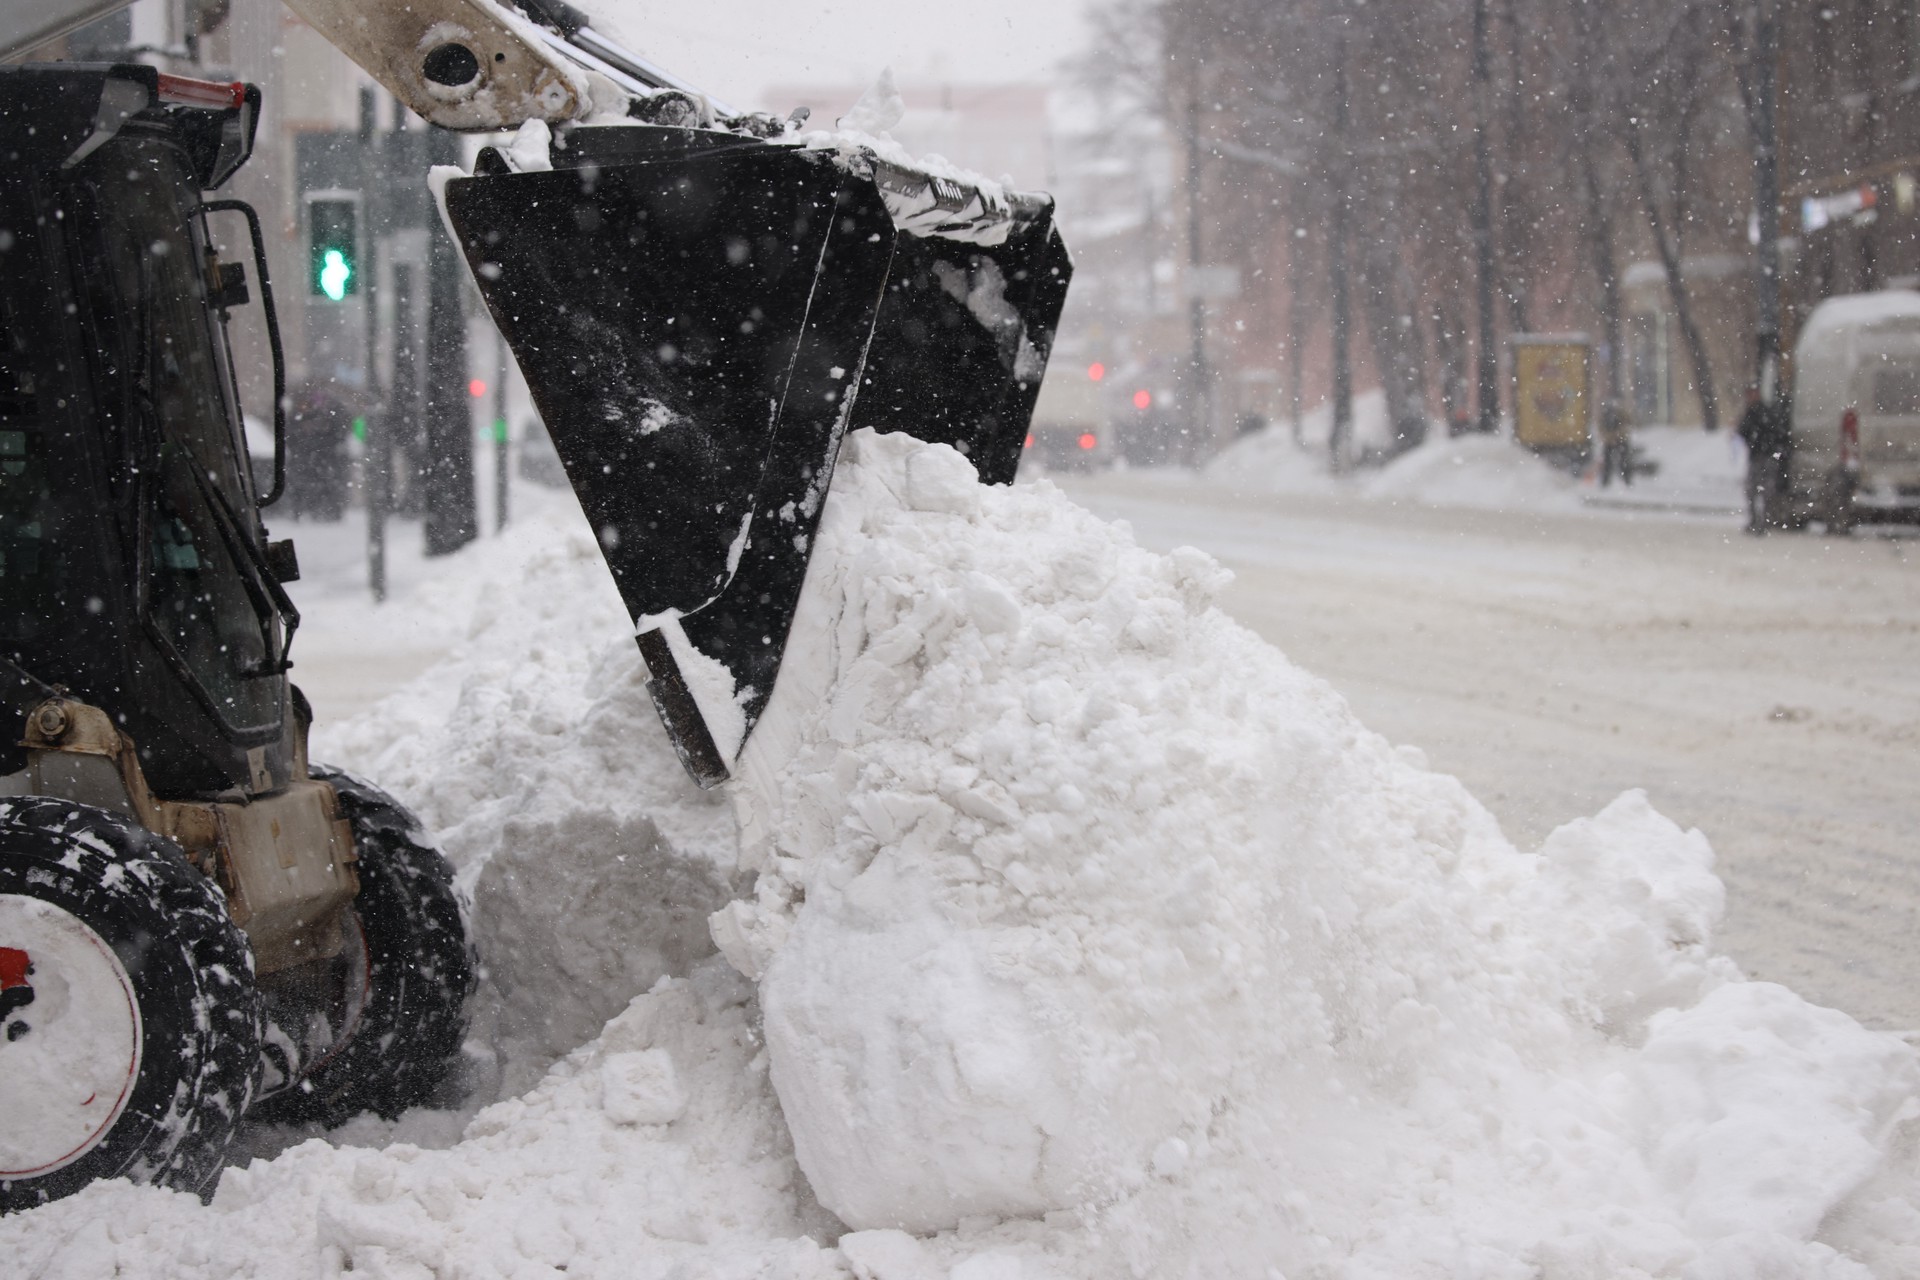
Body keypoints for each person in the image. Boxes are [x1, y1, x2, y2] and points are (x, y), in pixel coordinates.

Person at [1735, 387, 1790, 534]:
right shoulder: (1757, 412)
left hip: (1764, 456)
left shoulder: (1761, 413)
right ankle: (1758, 521)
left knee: (1763, 491)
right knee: (1755, 491)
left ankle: (1762, 521)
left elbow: (1750, 431)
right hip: (1759, 456)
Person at [1598, 399, 1631, 487]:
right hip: (1612, 440)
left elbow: (1626, 426)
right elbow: (1601, 428)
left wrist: (1616, 436)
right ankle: (1606, 481)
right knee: (1609, 462)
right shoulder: (1607, 416)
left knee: (1623, 461)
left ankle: (1626, 480)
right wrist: (1610, 437)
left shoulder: (1620, 414)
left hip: (1619, 440)